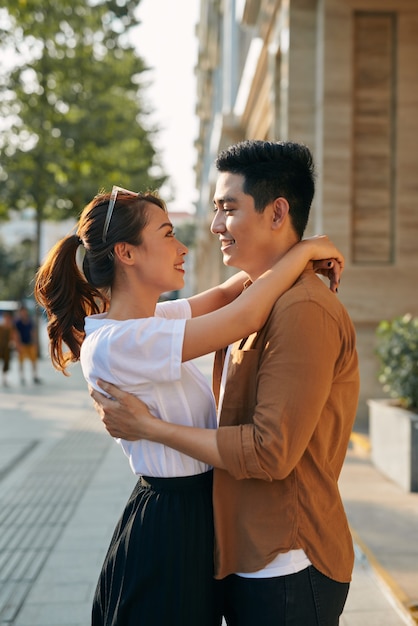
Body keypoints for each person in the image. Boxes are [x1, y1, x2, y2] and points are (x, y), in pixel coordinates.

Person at [34, 181, 343, 626]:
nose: (180, 246)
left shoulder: (148, 323)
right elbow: (243, 316)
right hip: (170, 524)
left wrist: (287, 250)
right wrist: (303, 251)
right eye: (166, 234)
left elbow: (225, 295)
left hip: (194, 512)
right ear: (127, 253)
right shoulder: (118, 341)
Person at [14, 305, 41, 385]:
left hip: (30, 343)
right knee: (21, 362)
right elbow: (16, 334)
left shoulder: (30, 321)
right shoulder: (17, 322)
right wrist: (18, 345)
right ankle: (22, 377)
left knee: (34, 361)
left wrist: (35, 343)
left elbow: (32, 332)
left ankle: (34, 376)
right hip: (22, 344)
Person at [0, 311, 15, 387]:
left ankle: (4, 380)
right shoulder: (1, 327)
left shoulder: (11, 328)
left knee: (6, 364)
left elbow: (13, 337)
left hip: (6, 349)